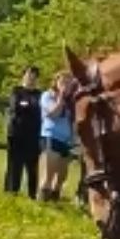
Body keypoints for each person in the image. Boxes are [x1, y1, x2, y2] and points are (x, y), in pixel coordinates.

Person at [4, 66, 42, 199]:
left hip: (34, 135)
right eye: (28, 75)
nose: (31, 78)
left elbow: (38, 111)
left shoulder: (39, 94)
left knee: (33, 167)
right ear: (23, 76)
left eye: (34, 76)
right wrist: (26, 106)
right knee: (15, 164)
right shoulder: (16, 91)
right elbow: (16, 108)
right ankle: (11, 191)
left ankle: (32, 194)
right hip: (17, 134)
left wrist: (26, 106)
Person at [38, 72, 75, 202]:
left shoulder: (72, 101)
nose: (66, 86)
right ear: (56, 82)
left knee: (61, 176)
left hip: (66, 141)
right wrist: (61, 98)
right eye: (63, 82)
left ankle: (55, 200)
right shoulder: (47, 96)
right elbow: (53, 114)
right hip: (51, 137)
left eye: (69, 83)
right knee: (49, 174)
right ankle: (43, 201)